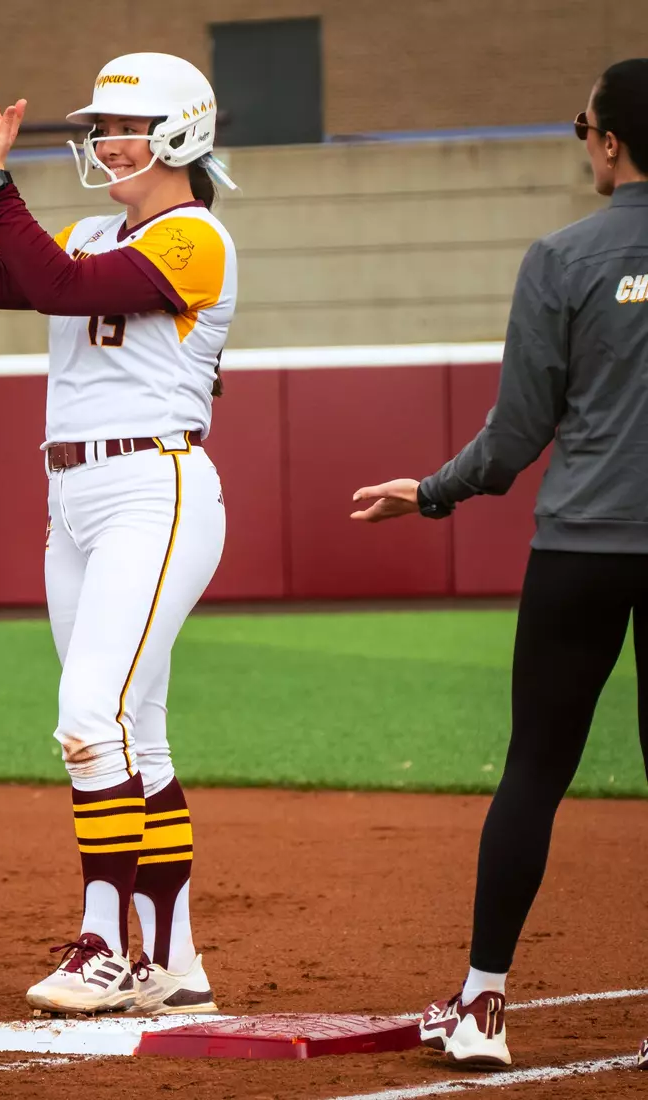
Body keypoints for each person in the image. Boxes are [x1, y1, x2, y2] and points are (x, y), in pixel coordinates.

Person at [351, 58, 648, 1070]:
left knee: (534, 770)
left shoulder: (561, 256)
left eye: (584, 127)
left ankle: (481, 1004)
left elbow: (517, 436)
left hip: (580, 549)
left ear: (609, 141)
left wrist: (431, 488)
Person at [0, 52, 237, 1015]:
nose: (107, 141)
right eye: (102, 126)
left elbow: (63, 289)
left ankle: (105, 946)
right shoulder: (97, 225)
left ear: (181, 132)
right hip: (75, 499)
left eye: (127, 127)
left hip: (156, 486)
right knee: (133, 738)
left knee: (85, 721)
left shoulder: (197, 237)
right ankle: (174, 962)